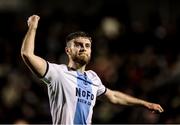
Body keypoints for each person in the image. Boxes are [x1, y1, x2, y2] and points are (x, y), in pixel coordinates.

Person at [21, 15, 164, 125]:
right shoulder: (57, 73)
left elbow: (113, 96)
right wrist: (33, 27)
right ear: (68, 50)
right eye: (78, 45)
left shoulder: (93, 78)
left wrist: (145, 103)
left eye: (87, 45)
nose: (84, 48)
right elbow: (27, 54)